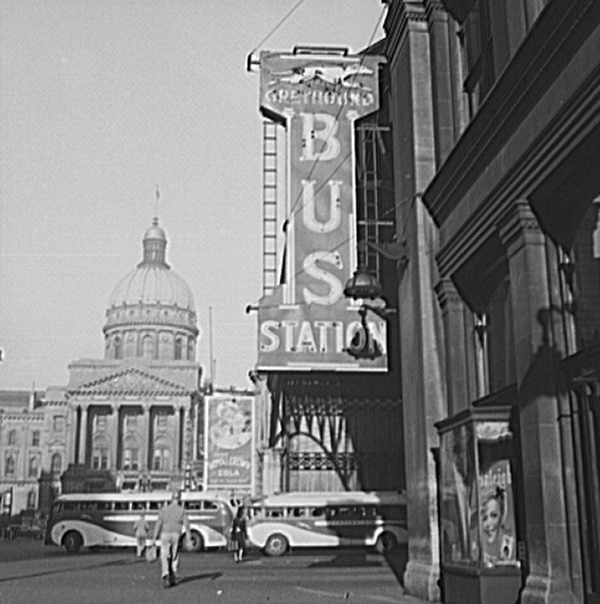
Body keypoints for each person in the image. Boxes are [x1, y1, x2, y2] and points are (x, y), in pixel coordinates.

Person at [152, 490, 191, 588]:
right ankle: (173, 571)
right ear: (179, 499)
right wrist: (189, 538)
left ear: (171, 498)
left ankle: (165, 573)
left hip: (165, 534)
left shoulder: (164, 509)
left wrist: (154, 537)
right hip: (176, 534)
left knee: (164, 555)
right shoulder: (181, 510)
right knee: (174, 554)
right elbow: (187, 525)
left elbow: (159, 523)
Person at [481, 486, 515, 567]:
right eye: (484, 518)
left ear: (502, 516)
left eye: (494, 515)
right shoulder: (478, 547)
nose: (489, 523)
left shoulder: (508, 544)